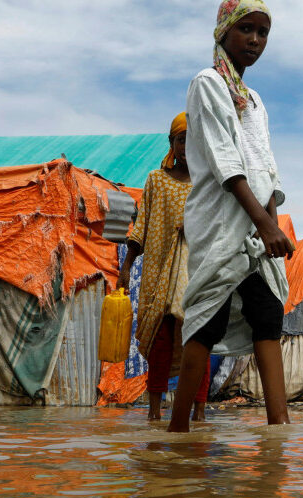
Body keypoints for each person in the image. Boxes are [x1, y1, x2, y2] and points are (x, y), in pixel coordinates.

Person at [168, 0, 294, 433]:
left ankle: (279, 426)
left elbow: (265, 166)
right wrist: (264, 223)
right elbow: (226, 162)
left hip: (258, 227)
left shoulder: (255, 101)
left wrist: (272, 223)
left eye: (263, 33)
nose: (255, 41)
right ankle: (179, 433)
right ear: (223, 32)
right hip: (222, 224)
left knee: (267, 315)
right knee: (208, 319)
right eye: (247, 30)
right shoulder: (207, 84)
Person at [118, 111, 210, 422]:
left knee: (199, 337)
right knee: (161, 335)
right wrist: (127, 266)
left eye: (194, 141)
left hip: (197, 271)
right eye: (182, 140)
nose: (187, 147)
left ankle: (198, 412)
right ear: (172, 143)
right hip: (160, 273)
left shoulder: (207, 184)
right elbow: (141, 227)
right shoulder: (156, 181)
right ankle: (155, 413)